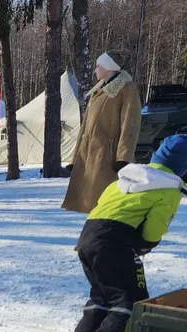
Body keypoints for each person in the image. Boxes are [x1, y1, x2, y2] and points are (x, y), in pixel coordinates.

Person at [74, 134, 187, 332]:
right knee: (130, 297)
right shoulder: (169, 189)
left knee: (102, 292)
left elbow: (104, 208)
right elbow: (154, 227)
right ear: (184, 166)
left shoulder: (125, 178)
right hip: (115, 243)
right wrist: (144, 245)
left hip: (88, 237)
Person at [63, 52, 142, 214]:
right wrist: (76, 156)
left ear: (109, 68)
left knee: (105, 203)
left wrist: (123, 157)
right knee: (88, 201)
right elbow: (85, 127)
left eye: (99, 66)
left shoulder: (126, 89)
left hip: (108, 156)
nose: (95, 70)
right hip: (89, 152)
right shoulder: (99, 89)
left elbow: (130, 124)